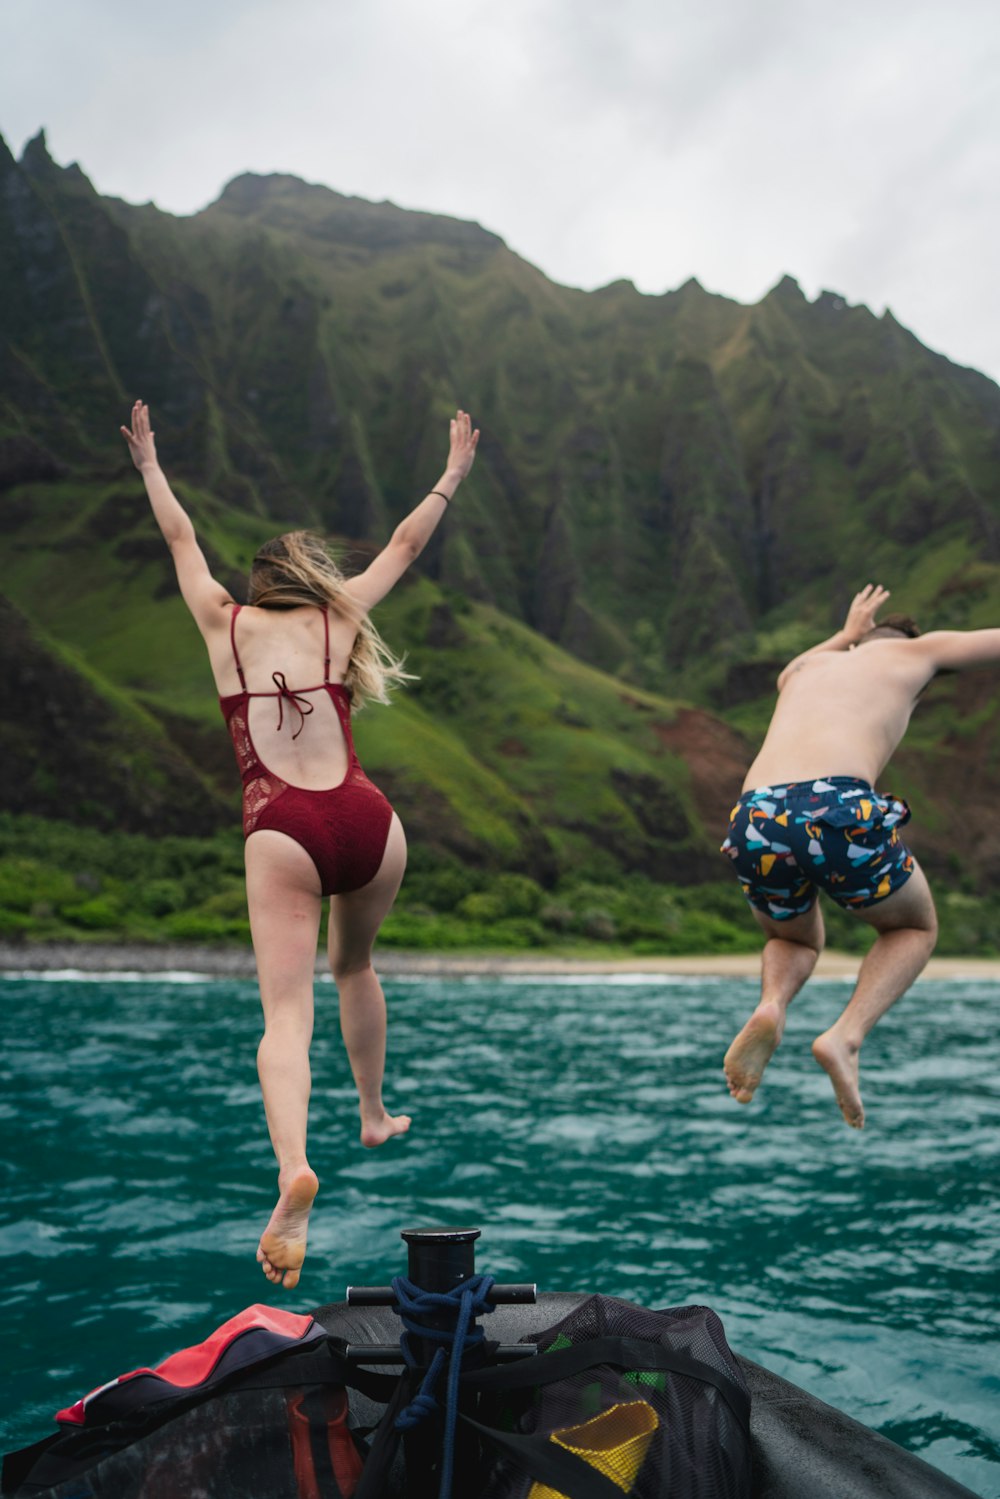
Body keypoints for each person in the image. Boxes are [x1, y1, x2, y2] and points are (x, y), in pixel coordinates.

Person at [120, 400, 479, 1287]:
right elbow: (404, 545)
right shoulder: (338, 618)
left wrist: (150, 467)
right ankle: (373, 1111)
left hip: (281, 826)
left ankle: (293, 1168)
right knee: (354, 966)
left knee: (286, 1014)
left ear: (256, 583)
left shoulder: (222, 621)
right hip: (367, 819)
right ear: (309, 578)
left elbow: (180, 539)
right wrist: (451, 474)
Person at [720, 583, 1000, 1129]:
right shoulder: (919, 652)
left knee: (790, 936)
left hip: (753, 814)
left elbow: (791, 667)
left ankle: (773, 1005)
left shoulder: (806, 672)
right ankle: (845, 1037)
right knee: (913, 930)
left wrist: (846, 635)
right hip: (836, 803)